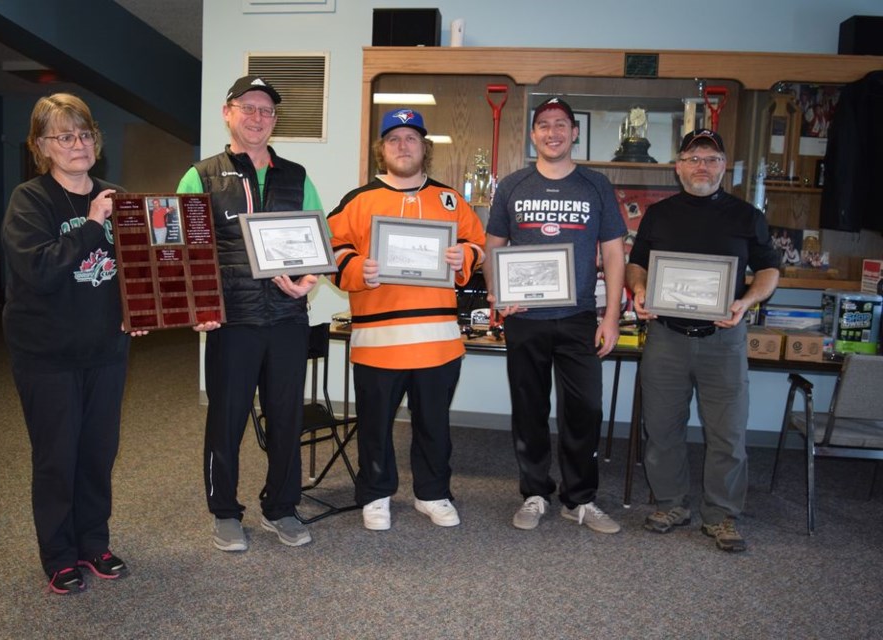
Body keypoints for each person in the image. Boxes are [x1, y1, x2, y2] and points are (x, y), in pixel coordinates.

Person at [2, 93, 145, 594]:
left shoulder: (116, 195)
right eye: (64, 136)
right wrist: (91, 224)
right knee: (57, 457)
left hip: (106, 350)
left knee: (98, 453)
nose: (78, 144)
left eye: (84, 134)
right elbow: (40, 270)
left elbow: (136, 271)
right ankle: (59, 554)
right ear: (42, 146)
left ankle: (93, 543)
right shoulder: (30, 200)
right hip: (47, 355)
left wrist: (140, 310)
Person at [176, 76, 323, 550]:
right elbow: (180, 250)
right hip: (232, 321)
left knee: (285, 417)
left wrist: (309, 281)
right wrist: (197, 304)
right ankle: (224, 511)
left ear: (274, 121)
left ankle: (281, 507)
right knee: (227, 418)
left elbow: (318, 244)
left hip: (285, 321)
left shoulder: (296, 176)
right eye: (248, 108)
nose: (257, 118)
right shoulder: (201, 176)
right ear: (228, 112)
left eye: (266, 111)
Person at [327, 108, 485, 530]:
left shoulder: (450, 199)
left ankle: (432, 492)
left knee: (434, 424)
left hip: (438, 341)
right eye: (393, 138)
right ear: (382, 149)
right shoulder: (358, 200)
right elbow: (331, 251)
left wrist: (463, 257)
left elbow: (477, 244)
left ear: (424, 147)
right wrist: (359, 269)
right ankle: (376, 493)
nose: (402, 145)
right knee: (375, 425)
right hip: (379, 342)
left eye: (411, 138)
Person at [625, 129, 781, 552]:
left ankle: (722, 515)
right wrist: (639, 291)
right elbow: (636, 263)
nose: (702, 167)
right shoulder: (659, 215)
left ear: (723, 166)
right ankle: (672, 504)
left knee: (728, 433)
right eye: (693, 158)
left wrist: (746, 300)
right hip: (666, 338)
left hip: (723, 340)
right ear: (678, 166)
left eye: (711, 159)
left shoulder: (747, 216)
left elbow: (769, 269)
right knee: (660, 428)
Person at [485, 97, 627, 534]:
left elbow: (614, 254)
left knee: (584, 409)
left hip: (580, 316)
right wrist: (497, 296)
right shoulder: (512, 185)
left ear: (575, 132)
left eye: (561, 124)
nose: (552, 132)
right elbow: (493, 247)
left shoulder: (596, 185)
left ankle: (579, 499)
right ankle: (533, 492)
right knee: (528, 408)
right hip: (525, 317)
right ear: (533, 134)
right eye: (543, 125)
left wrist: (612, 316)